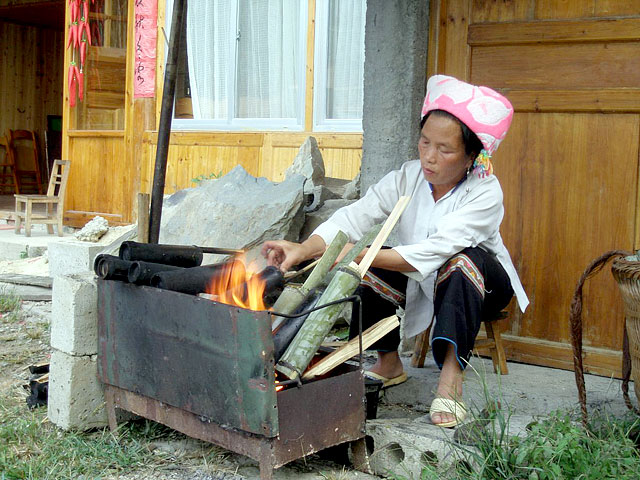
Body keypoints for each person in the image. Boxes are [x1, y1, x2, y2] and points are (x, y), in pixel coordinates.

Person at [262, 75, 529, 428]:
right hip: (422, 279)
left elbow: (436, 251)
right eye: (424, 142)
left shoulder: (485, 192)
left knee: (461, 260)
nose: (429, 157)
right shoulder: (408, 177)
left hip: (480, 286)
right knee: (365, 265)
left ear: (471, 156)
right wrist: (304, 248)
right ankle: (388, 363)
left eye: (445, 150)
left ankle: (450, 383)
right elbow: (356, 217)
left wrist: (361, 254)